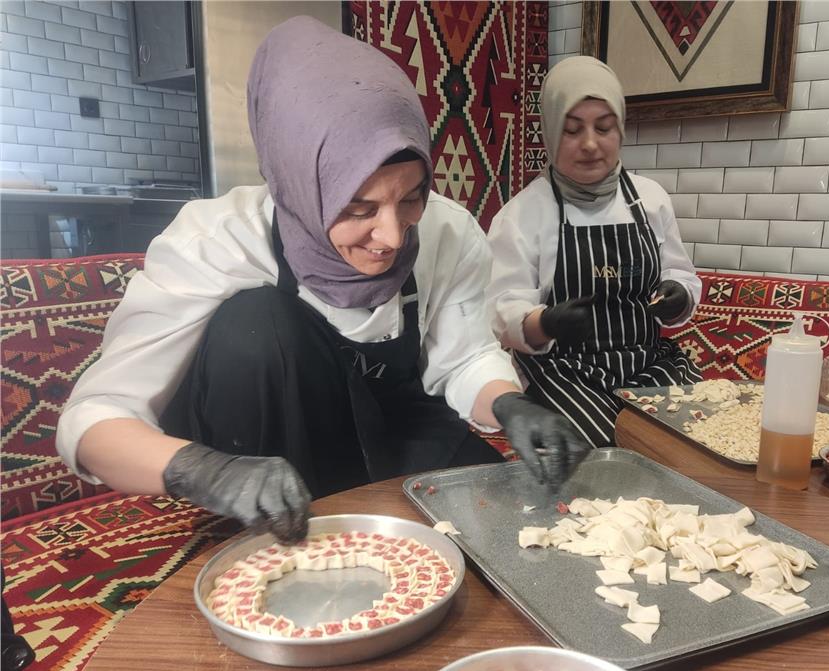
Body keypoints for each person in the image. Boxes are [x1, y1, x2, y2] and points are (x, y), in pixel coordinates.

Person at [56, 17, 588, 545]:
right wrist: (207, 471)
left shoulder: (449, 232)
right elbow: (92, 420)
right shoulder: (215, 241)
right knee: (256, 323)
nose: (391, 236)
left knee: (506, 531)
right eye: (359, 208)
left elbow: (463, 358)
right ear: (298, 179)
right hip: (276, 449)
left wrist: (507, 404)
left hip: (393, 426)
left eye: (410, 198)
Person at [486, 56, 702, 448]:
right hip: (566, 374)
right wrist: (545, 322)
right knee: (601, 450)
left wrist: (679, 294)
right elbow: (502, 313)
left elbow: (681, 274)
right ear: (551, 133)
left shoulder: (650, 200)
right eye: (571, 130)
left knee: (702, 429)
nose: (590, 144)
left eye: (604, 128)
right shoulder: (522, 214)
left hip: (649, 363)